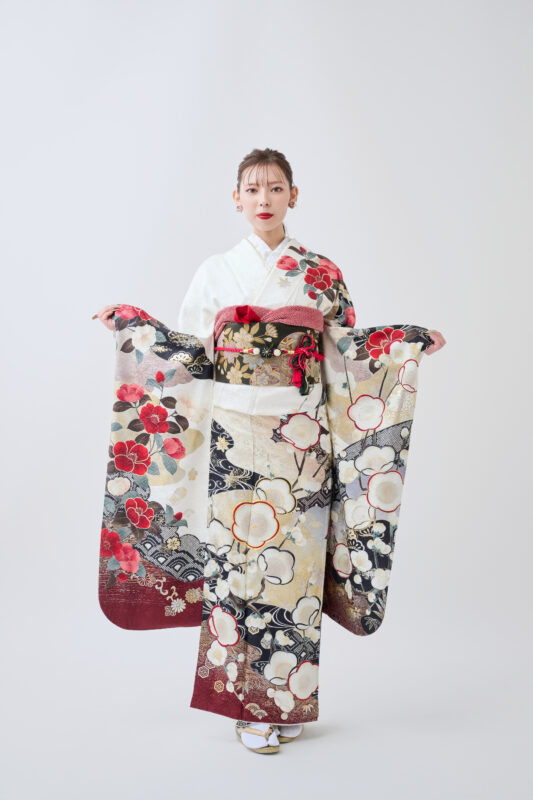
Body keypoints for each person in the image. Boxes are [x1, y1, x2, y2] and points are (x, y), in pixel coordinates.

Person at [94, 147, 446, 755]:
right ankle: (247, 707)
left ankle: (286, 697)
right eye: (253, 189)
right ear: (236, 198)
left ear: (293, 196)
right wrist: (132, 323)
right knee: (239, 569)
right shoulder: (215, 272)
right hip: (233, 435)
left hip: (301, 439)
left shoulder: (321, 273)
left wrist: (404, 344)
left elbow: (345, 353)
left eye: (275, 188)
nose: (264, 199)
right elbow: (188, 352)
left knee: (295, 574)